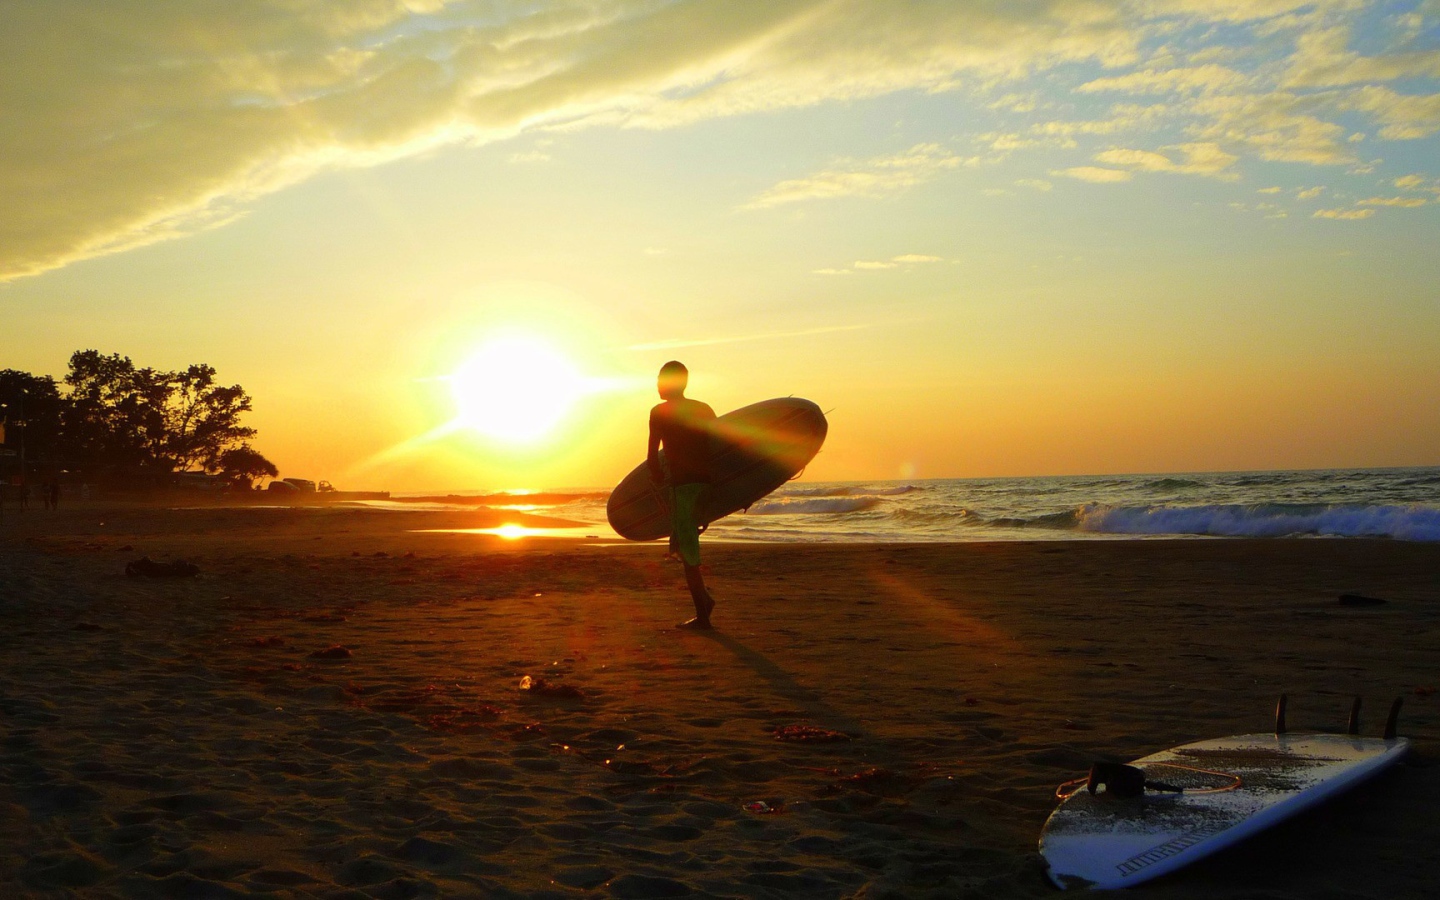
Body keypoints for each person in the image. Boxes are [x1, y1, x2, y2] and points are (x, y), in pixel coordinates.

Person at [648, 360, 717, 629]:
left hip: (682, 488)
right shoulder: (704, 409)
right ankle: (704, 602)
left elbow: (653, 455)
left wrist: (656, 479)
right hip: (706, 485)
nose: (656, 384)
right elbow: (719, 447)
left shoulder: (659, 413)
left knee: (687, 551)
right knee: (685, 543)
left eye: (660, 379)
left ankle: (703, 614)